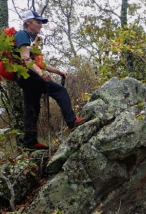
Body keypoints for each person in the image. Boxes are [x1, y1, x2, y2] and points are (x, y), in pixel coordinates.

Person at [15, 10, 89, 151]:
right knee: (60, 91)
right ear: (28, 22)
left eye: (41, 23)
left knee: (32, 106)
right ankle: (72, 121)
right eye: (38, 22)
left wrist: (58, 71)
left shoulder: (31, 40)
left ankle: (30, 142)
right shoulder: (22, 35)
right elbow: (25, 58)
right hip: (28, 74)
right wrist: (40, 73)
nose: (41, 25)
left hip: (25, 76)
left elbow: (40, 63)